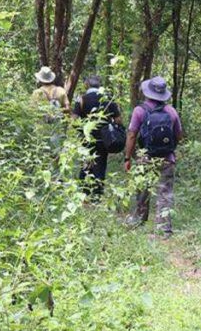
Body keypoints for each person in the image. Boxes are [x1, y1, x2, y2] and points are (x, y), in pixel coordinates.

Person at [124, 76, 185, 237]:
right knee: (165, 193)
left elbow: (131, 135)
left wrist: (127, 158)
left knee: (142, 189)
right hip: (167, 158)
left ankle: (139, 219)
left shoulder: (140, 111)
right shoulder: (171, 111)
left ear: (147, 92)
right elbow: (179, 136)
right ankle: (164, 229)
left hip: (145, 157)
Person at [72, 75, 121, 199]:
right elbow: (118, 120)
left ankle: (84, 193)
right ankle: (97, 195)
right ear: (100, 85)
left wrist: (81, 130)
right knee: (101, 164)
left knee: (86, 163)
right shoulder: (108, 98)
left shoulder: (81, 99)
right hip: (104, 139)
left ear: (86, 85)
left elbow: (74, 120)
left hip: (86, 138)